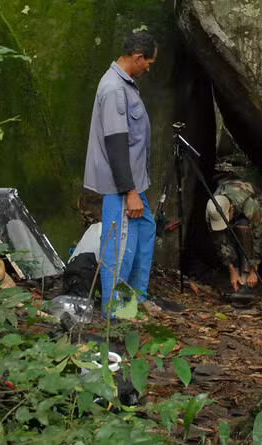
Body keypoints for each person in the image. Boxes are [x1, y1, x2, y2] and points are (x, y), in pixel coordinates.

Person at [83, 31, 161, 316]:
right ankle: (116, 312)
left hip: (134, 183)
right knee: (119, 244)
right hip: (122, 186)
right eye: (148, 63)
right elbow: (116, 144)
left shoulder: (125, 85)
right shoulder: (114, 88)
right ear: (138, 57)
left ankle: (137, 298)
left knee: (146, 230)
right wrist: (130, 192)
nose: (148, 69)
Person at [206, 178, 262, 294]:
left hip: (259, 206)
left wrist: (254, 269)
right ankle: (238, 271)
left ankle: (245, 273)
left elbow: (258, 237)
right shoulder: (212, 211)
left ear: (231, 208)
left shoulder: (249, 205)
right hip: (237, 211)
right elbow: (220, 241)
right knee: (226, 234)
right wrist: (232, 269)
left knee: (243, 226)